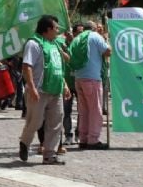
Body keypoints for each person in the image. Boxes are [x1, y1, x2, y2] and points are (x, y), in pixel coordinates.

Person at [18, 15, 71, 164]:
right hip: (39, 90)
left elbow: (57, 66)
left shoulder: (55, 44)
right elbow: (26, 66)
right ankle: (25, 142)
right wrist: (32, 88)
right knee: (35, 122)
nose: (58, 30)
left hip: (56, 89)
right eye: (56, 27)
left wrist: (65, 85)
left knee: (55, 123)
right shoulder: (34, 44)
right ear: (48, 29)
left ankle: (49, 154)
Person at [73, 20, 111, 150]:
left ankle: (83, 138)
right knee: (95, 111)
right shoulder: (95, 36)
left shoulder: (78, 38)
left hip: (79, 78)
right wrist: (107, 41)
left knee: (84, 111)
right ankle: (93, 140)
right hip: (92, 78)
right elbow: (107, 52)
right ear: (94, 28)